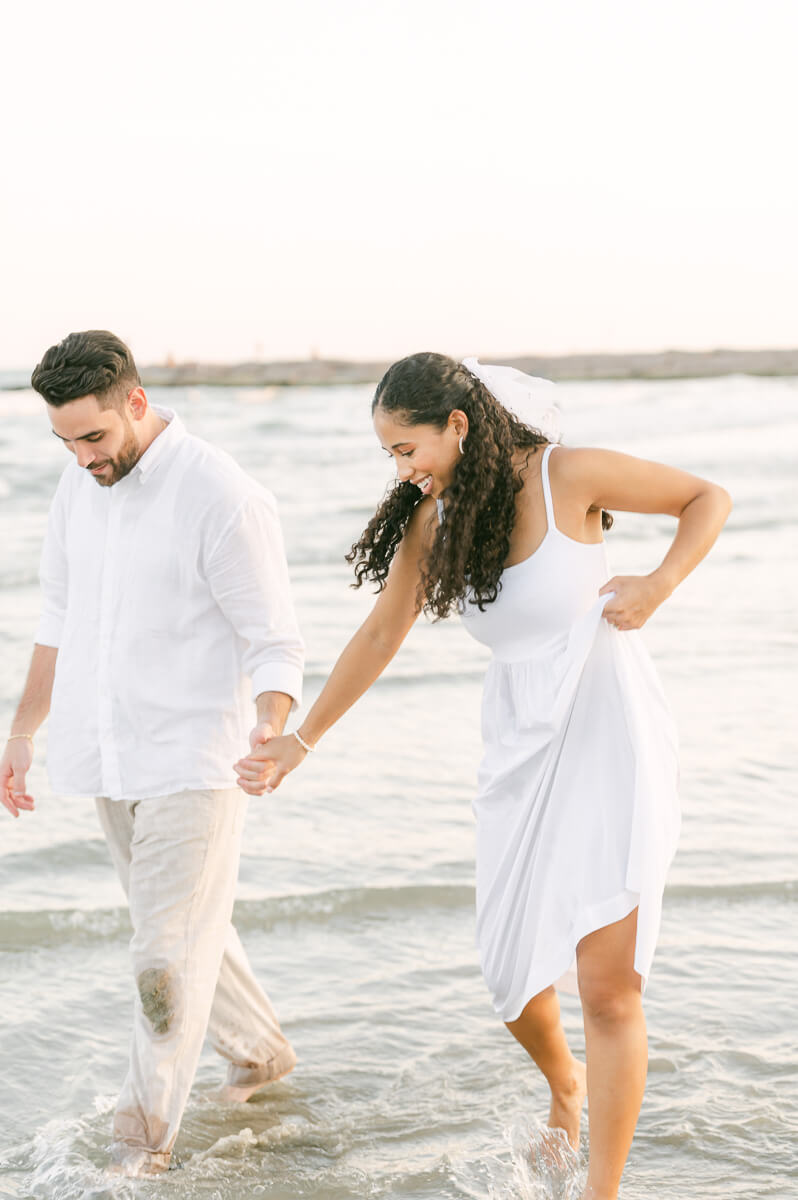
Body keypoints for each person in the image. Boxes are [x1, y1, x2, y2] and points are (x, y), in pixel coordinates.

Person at [234, 352, 732, 1200]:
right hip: (518, 743)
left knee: (608, 988)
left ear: (457, 424)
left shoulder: (566, 475)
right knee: (509, 972)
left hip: (608, 725)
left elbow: (705, 497)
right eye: (391, 454)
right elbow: (382, 632)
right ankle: (565, 1085)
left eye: (406, 447)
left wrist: (659, 582)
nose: (402, 468)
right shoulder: (437, 520)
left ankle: (600, 1190)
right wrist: (301, 741)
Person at [0, 330, 305, 1177]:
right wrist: (23, 731)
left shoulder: (222, 495)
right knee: (185, 931)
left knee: (160, 957)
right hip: (107, 760)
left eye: (93, 436)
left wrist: (271, 728)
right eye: (64, 440)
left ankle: (141, 1148)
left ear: (136, 401)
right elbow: (57, 618)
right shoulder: (76, 486)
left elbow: (274, 640)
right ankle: (262, 1054)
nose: (81, 456)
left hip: (193, 763)